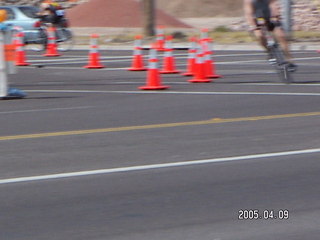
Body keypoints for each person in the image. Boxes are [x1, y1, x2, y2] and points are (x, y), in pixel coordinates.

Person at [243, 0, 297, 71]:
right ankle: (269, 52)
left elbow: (273, 5)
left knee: (281, 36)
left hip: (269, 17)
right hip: (257, 19)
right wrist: (253, 25)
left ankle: (289, 60)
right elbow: (249, 14)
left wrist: (275, 16)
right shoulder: (248, 1)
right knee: (259, 35)